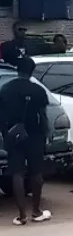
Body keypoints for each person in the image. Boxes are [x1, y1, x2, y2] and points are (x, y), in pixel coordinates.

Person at [0, 57, 51, 225]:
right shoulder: (38, 91)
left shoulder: (5, 89)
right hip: (35, 135)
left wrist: (6, 134)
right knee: (36, 172)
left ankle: (21, 216)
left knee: (17, 173)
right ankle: (36, 211)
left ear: (16, 69)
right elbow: (43, 116)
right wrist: (46, 134)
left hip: (14, 135)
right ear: (32, 71)